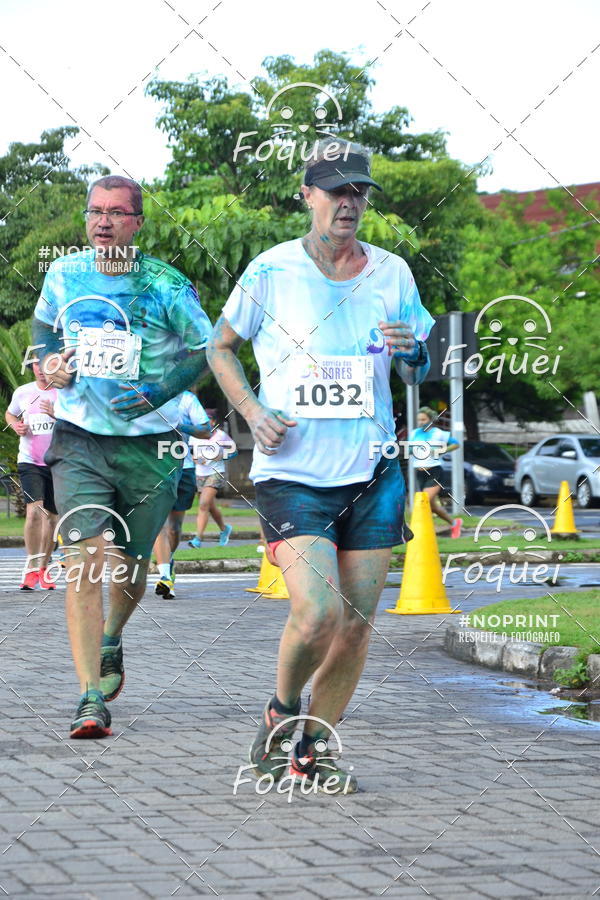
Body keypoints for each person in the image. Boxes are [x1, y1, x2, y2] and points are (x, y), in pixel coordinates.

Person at [207, 139, 434, 793]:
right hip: (293, 472)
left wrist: (414, 349)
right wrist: (251, 411)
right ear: (306, 196)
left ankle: (315, 747)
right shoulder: (271, 271)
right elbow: (220, 347)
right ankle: (280, 713)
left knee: (358, 623)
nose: (349, 201)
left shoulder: (391, 273)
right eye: (336, 190)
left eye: (358, 190)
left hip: (372, 473)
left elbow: (418, 360)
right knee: (316, 614)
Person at [31, 174, 212, 739]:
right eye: (94, 212)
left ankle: (113, 636)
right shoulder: (63, 273)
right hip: (79, 438)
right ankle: (89, 698)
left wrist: (160, 393)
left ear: (137, 222)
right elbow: (42, 336)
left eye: (116, 212)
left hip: (151, 446)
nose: (103, 221)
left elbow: (208, 350)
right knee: (83, 563)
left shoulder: (165, 284)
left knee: (130, 568)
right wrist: (48, 365)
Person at [5, 360, 58, 590]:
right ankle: (31, 568)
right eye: (36, 364)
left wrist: (56, 415)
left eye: (45, 364)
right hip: (29, 462)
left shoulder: (64, 393)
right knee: (33, 512)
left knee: (52, 518)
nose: (41, 369)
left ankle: (44, 568)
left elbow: (79, 422)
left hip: (57, 462)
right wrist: (16, 425)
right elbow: (10, 414)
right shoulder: (23, 392)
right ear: (33, 368)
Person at [153, 390, 211, 599]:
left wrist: (179, 426)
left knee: (175, 528)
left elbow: (206, 431)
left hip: (183, 468)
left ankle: (169, 561)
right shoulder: (148, 393)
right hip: (155, 468)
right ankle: (165, 576)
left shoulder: (187, 399)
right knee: (158, 524)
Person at [409, 407, 462, 538]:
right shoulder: (414, 433)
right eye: (419, 420)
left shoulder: (439, 433)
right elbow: (409, 449)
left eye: (423, 419)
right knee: (432, 507)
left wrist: (441, 450)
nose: (421, 422)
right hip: (419, 472)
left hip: (434, 471)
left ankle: (419, 531)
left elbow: (456, 444)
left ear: (431, 420)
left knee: (424, 501)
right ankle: (455, 523)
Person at [188, 409, 236, 548]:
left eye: (207, 420)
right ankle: (224, 528)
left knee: (203, 504)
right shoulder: (194, 436)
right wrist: (194, 458)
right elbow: (189, 453)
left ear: (213, 421)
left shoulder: (221, 436)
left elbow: (233, 451)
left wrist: (220, 456)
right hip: (199, 474)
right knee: (210, 506)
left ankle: (197, 539)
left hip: (216, 472)